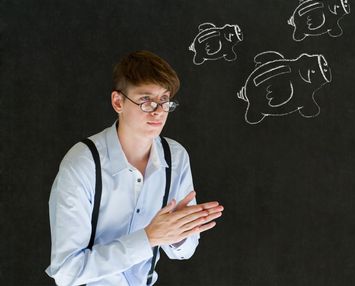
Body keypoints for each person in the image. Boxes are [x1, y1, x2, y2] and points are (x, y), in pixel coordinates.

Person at [46, 50, 224, 286]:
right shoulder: (83, 163)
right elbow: (66, 272)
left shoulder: (176, 156)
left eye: (164, 100)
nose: (159, 111)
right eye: (146, 101)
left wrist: (179, 232)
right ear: (118, 101)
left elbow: (183, 252)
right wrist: (149, 237)